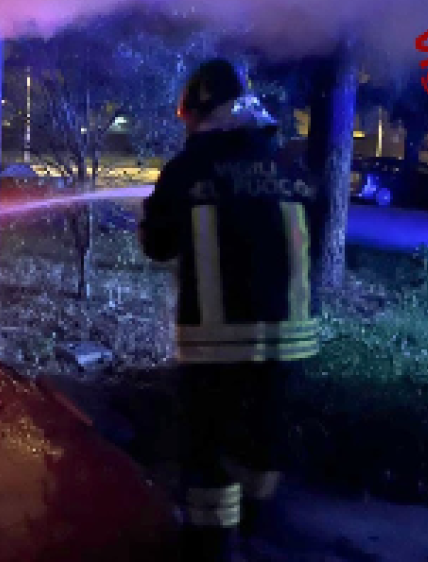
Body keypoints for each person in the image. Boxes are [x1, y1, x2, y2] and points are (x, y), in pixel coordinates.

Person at [139, 58, 319, 561]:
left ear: (200, 110)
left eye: (188, 119)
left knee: (209, 453)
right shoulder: (289, 166)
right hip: (290, 343)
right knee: (263, 443)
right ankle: (258, 535)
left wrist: (152, 216)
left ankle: (211, 546)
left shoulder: (188, 171)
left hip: (216, 346)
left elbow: (157, 245)